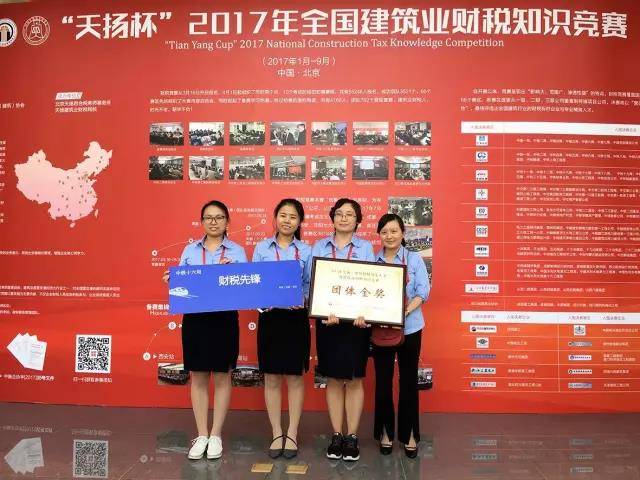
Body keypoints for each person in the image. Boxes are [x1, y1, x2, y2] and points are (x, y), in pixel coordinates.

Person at [163, 200, 247, 460]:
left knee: (222, 376)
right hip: (195, 320)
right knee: (198, 376)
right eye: (209, 217)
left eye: (219, 217)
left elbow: (246, 287)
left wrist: (233, 274)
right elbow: (182, 285)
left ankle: (216, 435)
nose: (214, 222)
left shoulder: (237, 252)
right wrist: (172, 280)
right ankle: (201, 435)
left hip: (224, 319)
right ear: (201, 222)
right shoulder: (190, 250)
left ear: (227, 222)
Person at [311, 198, 375, 462]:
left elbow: (372, 283)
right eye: (339, 213)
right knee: (334, 379)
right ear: (332, 217)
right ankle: (337, 434)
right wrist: (320, 309)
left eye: (350, 214)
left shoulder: (365, 248)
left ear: (358, 220)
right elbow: (312, 282)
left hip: (356, 324)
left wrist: (365, 312)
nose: (344, 218)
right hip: (328, 322)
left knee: (355, 379)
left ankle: (352, 436)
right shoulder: (319, 247)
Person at [252, 199, 312, 459]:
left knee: (295, 378)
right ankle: (277, 432)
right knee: (272, 378)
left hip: (296, 319)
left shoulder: (306, 250)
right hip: (271, 319)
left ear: (300, 222)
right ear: (275, 218)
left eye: (293, 217)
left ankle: (293, 433)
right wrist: (262, 301)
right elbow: (255, 282)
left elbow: (309, 283)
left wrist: (303, 299)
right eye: (283, 215)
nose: (287, 221)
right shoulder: (262, 248)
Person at [373, 213, 430, 458]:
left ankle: (409, 435)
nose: (389, 236)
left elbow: (423, 292)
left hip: (410, 327)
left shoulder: (414, 259)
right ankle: (385, 432)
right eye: (384, 232)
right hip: (381, 329)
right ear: (379, 235)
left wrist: (402, 313)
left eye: (394, 231)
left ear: (402, 233)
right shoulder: (373, 261)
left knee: (408, 382)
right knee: (383, 382)